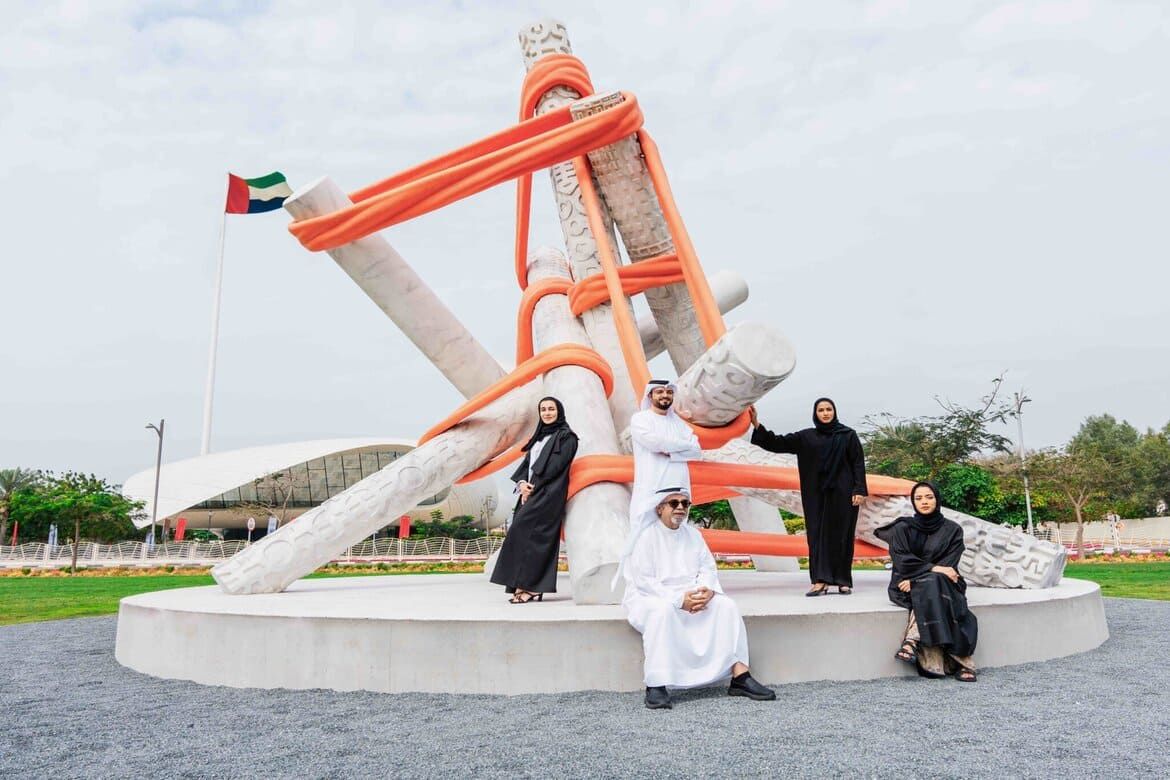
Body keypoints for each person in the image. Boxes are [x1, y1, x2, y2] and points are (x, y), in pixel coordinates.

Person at [623, 485, 776, 709]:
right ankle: (656, 684)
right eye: (674, 503)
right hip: (652, 596)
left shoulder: (693, 535)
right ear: (659, 509)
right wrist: (679, 600)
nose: (680, 508)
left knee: (726, 607)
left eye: (685, 503)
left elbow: (707, 567)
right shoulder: (645, 536)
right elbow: (644, 580)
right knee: (662, 612)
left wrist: (707, 590)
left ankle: (740, 677)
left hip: (692, 594)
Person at [748, 398, 867, 596]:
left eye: (829, 409)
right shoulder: (806, 437)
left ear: (834, 412)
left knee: (842, 536)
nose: (826, 413)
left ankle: (843, 580)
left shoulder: (848, 435)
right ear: (815, 413)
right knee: (816, 536)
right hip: (815, 495)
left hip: (843, 494)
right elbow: (777, 443)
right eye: (821, 410)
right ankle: (820, 581)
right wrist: (756, 424)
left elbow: (857, 463)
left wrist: (859, 490)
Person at [875, 482, 978, 682]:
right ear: (913, 502)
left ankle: (912, 641)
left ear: (937, 499)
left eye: (929, 497)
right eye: (919, 498)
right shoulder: (902, 528)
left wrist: (919, 581)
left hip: (938, 584)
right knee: (933, 584)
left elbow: (949, 568)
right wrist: (931, 570)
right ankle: (963, 661)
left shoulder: (952, 530)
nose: (924, 502)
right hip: (905, 583)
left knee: (934, 584)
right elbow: (902, 560)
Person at [490, 397, 578, 604]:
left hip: (548, 494)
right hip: (528, 493)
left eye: (551, 409)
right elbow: (526, 467)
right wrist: (522, 484)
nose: (547, 413)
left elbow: (556, 467)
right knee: (519, 537)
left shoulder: (567, 437)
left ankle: (531, 587)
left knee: (537, 540)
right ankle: (521, 585)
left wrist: (532, 488)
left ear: (559, 411)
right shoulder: (538, 438)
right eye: (543, 410)